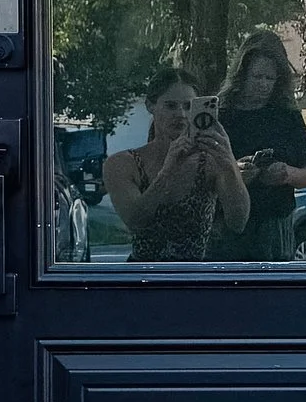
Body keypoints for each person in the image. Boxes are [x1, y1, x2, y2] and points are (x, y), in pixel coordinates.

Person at [103, 68, 250, 262]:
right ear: (150, 106)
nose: (180, 114)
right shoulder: (122, 164)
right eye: (171, 106)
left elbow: (238, 222)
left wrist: (229, 162)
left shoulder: (209, 163)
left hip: (193, 280)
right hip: (143, 278)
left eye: (189, 106)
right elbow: (135, 221)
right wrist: (167, 171)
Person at [218, 30, 306, 261]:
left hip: (275, 225)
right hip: (226, 225)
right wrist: (234, 174)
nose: (263, 85)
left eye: (269, 79)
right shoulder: (222, 115)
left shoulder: (287, 116)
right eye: (257, 77)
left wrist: (286, 174)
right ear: (242, 75)